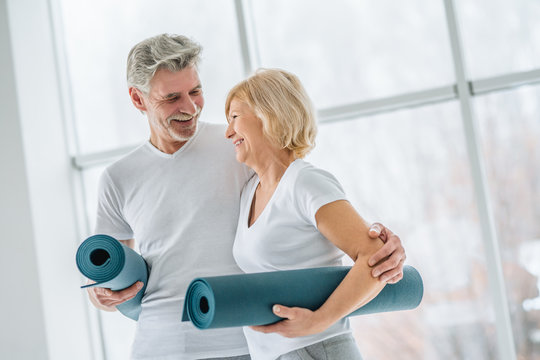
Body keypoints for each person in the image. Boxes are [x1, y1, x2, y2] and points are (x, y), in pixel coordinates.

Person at [86, 34, 406, 360]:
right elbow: (109, 278)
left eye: (195, 92)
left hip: (246, 342)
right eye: (171, 98)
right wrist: (102, 294)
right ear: (138, 100)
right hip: (159, 345)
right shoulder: (118, 178)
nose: (189, 107)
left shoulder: (240, 146)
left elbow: (303, 201)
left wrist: (375, 244)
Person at [225, 68, 401, 360]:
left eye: (234, 117)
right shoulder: (250, 192)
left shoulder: (305, 182)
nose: (228, 132)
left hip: (317, 350)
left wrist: (319, 320)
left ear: (270, 114)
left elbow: (374, 261)